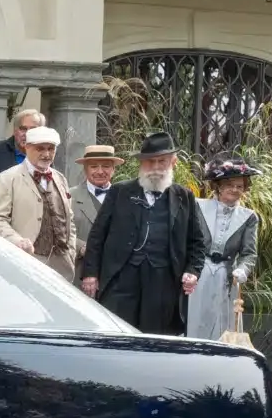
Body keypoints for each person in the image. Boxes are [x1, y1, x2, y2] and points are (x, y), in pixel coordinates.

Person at [79, 130, 206, 336]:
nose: (155, 168)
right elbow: (97, 236)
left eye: (161, 162)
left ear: (173, 162)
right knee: (115, 334)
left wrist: (193, 271)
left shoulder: (184, 197)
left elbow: (197, 242)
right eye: (150, 162)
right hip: (121, 279)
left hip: (163, 283)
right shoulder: (119, 192)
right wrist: (90, 274)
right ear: (141, 163)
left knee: (156, 339)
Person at [0, 125, 77, 281]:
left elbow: (69, 219)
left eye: (51, 149)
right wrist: (17, 241)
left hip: (62, 266)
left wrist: (71, 251)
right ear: (27, 147)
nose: (46, 154)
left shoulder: (60, 178)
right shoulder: (7, 179)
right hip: (25, 263)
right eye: (40, 149)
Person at [187, 155, 260, 343]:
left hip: (226, 275)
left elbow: (249, 253)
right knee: (194, 320)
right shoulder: (197, 206)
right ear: (218, 186)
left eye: (240, 186)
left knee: (223, 325)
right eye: (230, 185)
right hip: (198, 272)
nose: (235, 190)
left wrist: (243, 269)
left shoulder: (249, 217)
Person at [72, 143, 121, 245]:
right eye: (94, 166)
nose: (100, 172)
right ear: (85, 169)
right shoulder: (69, 196)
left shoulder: (124, 197)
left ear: (113, 170)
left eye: (106, 166)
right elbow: (61, 233)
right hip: (82, 260)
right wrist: (81, 248)